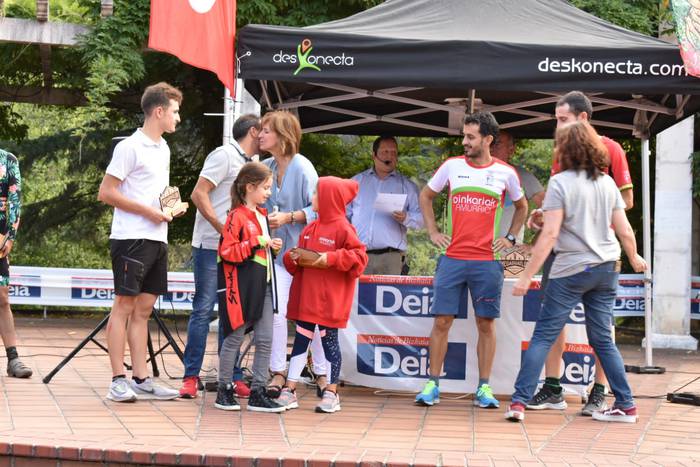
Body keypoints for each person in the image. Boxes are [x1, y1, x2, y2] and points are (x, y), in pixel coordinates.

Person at [505, 121, 647, 423]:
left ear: (565, 149)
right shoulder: (606, 183)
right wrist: (634, 256)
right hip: (606, 268)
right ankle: (626, 405)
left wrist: (527, 274)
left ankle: (518, 402)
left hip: (570, 269)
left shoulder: (561, 183)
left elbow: (550, 234)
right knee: (603, 340)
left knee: (544, 335)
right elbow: (624, 229)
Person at [526, 91, 635, 415]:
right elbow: (557, 202)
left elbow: (627, 202)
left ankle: (599, 390)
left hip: (598, 253)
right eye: (556, 119)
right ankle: (553, 387)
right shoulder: (560, 152)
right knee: (551, 321)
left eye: (563, 119)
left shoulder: (612, 148)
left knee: (601, 329)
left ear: (583, 117)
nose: (558, 125)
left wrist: (587, 210)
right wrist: (542, 215)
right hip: (562, 251)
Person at [415, 112, 528, 408]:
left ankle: (484, 388)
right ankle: (432, 384)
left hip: (487, 261)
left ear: (488, 139)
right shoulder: (452, 166)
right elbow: (426, 196)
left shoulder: (505, 172)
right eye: (464, 136)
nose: (464, 142)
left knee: (485, 324)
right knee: (442, 321)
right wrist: (433, 231)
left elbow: (522, 206)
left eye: (470, 137)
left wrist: (511, 238)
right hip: (452, 258)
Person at [98, 82, 183, 402]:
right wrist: (148, 212)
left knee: (144, 309)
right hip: (130, 238)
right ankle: (116, 380)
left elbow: (156, 191)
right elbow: (106, 193)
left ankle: (141, 379)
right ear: (159, 111)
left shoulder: (164, 148)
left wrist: (171, 206)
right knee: (123, 306)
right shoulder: (129, 147)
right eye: (175, 111)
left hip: (157, 237)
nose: (178, 118)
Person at [179, 114, 261, 399]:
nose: (267, 136)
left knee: (233, 313)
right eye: (263, 131)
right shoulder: (224, 155)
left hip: (236, 250)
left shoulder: (252, 164)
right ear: (253, 131)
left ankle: (232, 376)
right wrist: (223, 229)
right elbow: (198, 194)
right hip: (211, 246)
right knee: (203, 309)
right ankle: (191, 377)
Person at [275, 176, 368, 413]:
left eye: (316, 193)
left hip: (330, 302)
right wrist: (291, 257)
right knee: (300, 340)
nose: (312, 197)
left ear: (330, 199)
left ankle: (331, 392)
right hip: (307, 299)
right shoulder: (310, 228)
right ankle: (290, 389)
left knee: (330, 343)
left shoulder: (344, 228)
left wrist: (331, 258)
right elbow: (296, 264)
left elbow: (359, 259)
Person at [260, 111, 327, 398]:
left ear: (283, 135)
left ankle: (323, 372)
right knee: (277, 314)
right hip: (276, 255)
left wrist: (289, 217)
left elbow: (320, 210)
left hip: (304, 257)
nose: (260, 134)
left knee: (312, 316)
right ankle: (278, 370)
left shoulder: (303, 168)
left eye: (266, 130)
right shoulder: (265, 167)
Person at [214, 162, 285, 412]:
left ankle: (258, 391)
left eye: (270, 187)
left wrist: (272, 248)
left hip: (263, 284)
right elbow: (227, 251)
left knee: (265, 339)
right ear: (249, 187)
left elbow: (259, 250)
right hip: (241, 286)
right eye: (265, 187)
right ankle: (224, 389)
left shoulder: (262, 215)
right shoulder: (236, 215)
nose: (268, 192)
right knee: (234, 336)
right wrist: (256, 241)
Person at [348, 136, 423, 275]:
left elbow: (422, 220)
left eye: (394, 152)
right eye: (385, 152)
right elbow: (344, 216)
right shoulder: (356, 182)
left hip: (391, 257)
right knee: (357, 290)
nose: (390, 156)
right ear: (374, 155)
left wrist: (406, 218)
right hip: (358, 255)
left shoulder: (408, 186)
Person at [0, 148, 31, 379]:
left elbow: (15, 200)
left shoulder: (7, 160)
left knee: (2, 297)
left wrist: (10, 236)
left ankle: (13, 359)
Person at [490, 131, 544, 242]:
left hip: (509, 248)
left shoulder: (522, 175)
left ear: (511, 150)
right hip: (476, 247)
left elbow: (551, 210)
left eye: (497, 144)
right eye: (489, 143)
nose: (491, 148)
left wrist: (534, 246)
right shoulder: (474, 174)